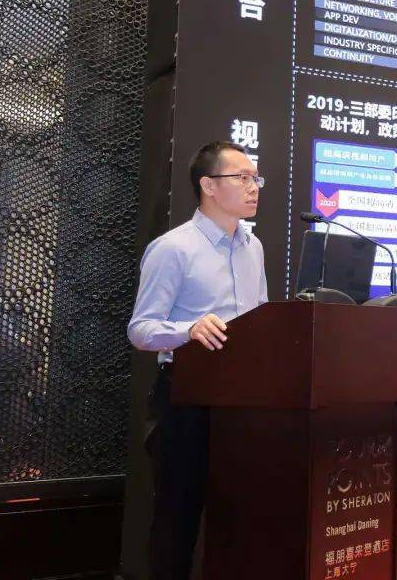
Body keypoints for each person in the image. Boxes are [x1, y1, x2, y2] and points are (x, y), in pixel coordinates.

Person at [127, 141, 267, 580]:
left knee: (238, 517)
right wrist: (188, 330)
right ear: (208, 185)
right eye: (242, 178)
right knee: (177, 518)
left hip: (240, 401)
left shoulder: (254, 247)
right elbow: (141, 329)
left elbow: (260, 318)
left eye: (255, 178)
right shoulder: (173, 248)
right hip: (185, 399)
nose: (253, 186)